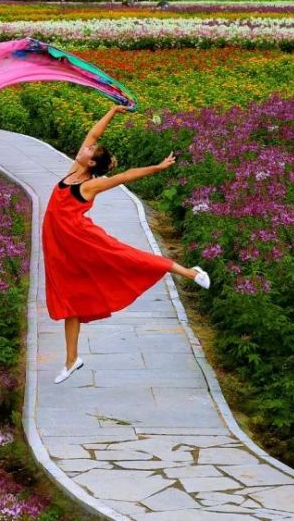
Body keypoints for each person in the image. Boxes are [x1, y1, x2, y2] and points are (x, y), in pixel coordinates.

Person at [43, 104, 210, 384]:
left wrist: (157, 167)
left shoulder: (87, 185)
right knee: (68, 299)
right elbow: (93, 134)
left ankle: (190, 272)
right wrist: (111, 110)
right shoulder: (74, 169)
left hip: (84, 240)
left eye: (87, 151)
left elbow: (125, 176)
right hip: (61, 247)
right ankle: (72, 360)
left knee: (129, 257)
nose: (84, 148)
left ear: (92, 164)